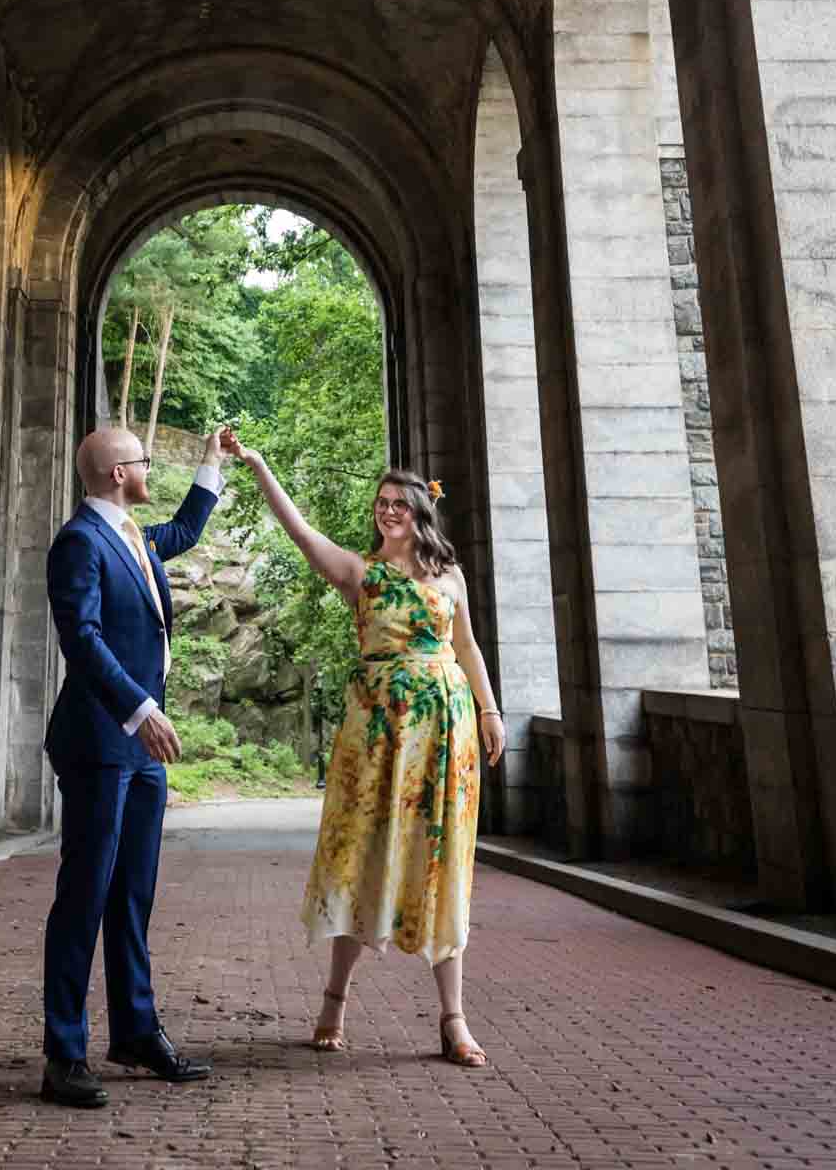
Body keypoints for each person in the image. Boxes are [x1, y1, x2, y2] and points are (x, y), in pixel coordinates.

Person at [221, 429, 505, 1066]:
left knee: (442, 861)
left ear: (419, 512)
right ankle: (333, 1003)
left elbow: (466, 649)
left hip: (443, 731)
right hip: (376, 734)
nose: (387, 510)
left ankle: (453, 1020)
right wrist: (261, 467)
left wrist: (489, 710)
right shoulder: (360, 573)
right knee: (358, 856)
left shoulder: (449, 577)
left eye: (399, 502)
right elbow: (299, 534)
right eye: (381, 502)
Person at [40, 424, 224, 1108]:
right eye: (144, 460)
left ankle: (136, 1033)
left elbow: (181, 533)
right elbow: (79, 637)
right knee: (83, 898)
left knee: (132, 895)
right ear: (119, 473)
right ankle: (63, 1054)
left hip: (140, 750)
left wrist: (210, 464)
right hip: (99, 740)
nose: (151, 467)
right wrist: (139, 709)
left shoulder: (132, 538)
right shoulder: (79, 543)